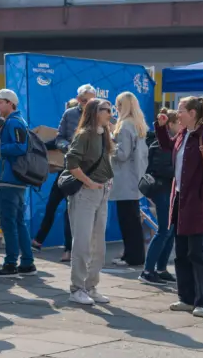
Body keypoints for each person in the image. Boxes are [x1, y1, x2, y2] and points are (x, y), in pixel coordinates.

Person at [156, 97, 203, 318]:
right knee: (181, 253)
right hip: (179, 201)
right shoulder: (183, 134)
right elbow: (167, 146)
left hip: (197, 204)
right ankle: (185, 298)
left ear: (194, 113)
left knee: (197, 252)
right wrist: (160, 127)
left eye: (181, 110)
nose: (178, 114)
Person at [33, 85, 96, 260]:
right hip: (67, 168)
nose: (86, 104)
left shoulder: (99, 115)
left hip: (86, 170)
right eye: (83, 100)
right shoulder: (70, 114)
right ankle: (38, 240)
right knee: (52, 204)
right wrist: (64, 147)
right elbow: (59, 137)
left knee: (72, 210)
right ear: (78, 98)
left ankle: (69, 249)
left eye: (90, 100)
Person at [65, 98, 115, 306]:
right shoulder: (84, 135)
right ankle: (77, 288)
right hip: (85, 193)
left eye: (111, 110)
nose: (110, 114)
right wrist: (88, 182)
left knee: (98, 245)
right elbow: (71, 162)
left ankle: (91, 286)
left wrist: (107, 181)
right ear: (95, 112)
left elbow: (106, 160)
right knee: (83, 243)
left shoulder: (105, 135)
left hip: (101, 192)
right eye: (106, 110)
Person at [0, 88, 37, 278]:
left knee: (9, 223)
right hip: (14, 179)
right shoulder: (16, 121)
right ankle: (26, 262)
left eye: (0, 101)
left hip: (11, 179)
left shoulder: (13, 122)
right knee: (18, 222)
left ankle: (10, 263)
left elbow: (20, 147)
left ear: (10, 103)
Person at [111, 92, 148, 268]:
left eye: (118, 105)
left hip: (125, 180)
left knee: (128, 221)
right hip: (135, 178)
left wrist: (109, 145)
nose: (116, 108)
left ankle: (132, 257)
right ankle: (133, 255)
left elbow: (122, 154)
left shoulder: (125, 125)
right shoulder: (137, 124)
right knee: (132, 220)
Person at [140, 108, 178, 285]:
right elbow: (161, 168)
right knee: (164, 230)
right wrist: (182, 172)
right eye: (177, 122)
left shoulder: (175, 142)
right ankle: (147, 271)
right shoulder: (160, 143)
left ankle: (161, 269)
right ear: (170, 124)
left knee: (170, 231)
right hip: (161, 189)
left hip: (169, 190)